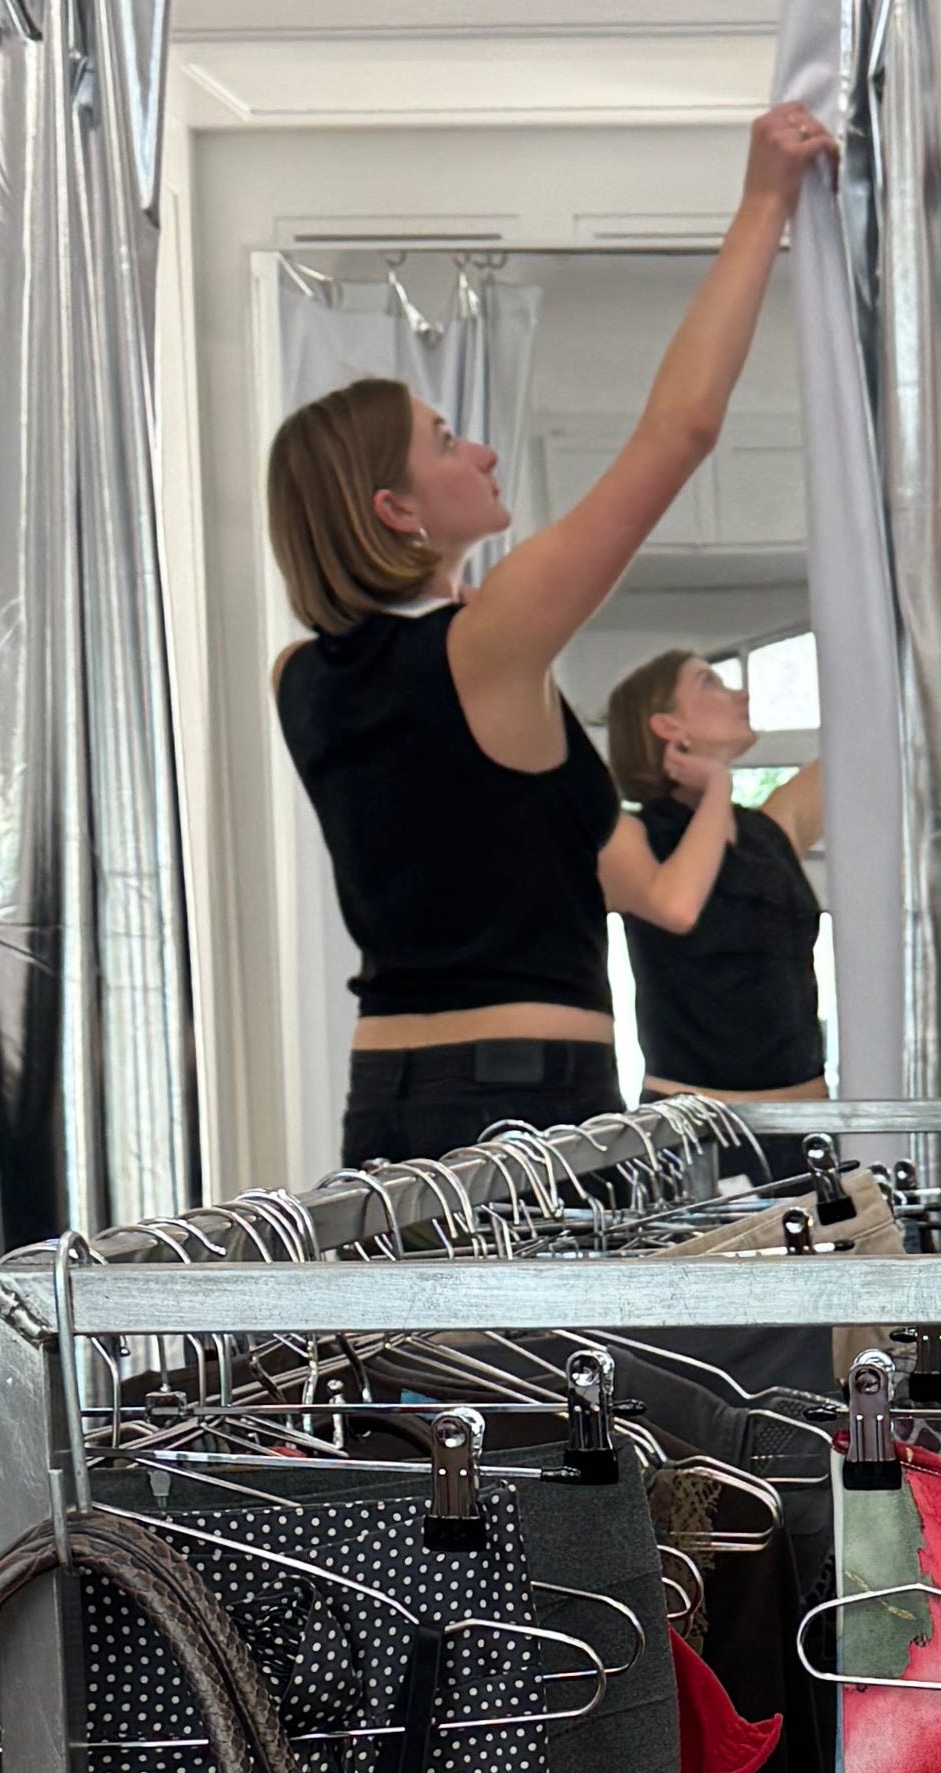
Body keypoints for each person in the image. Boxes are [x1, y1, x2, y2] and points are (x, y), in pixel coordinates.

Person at [268, 106, 833, 1168]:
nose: (481, 452)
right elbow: (680, 431)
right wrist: (765, 201)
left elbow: (607, 878)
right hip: (520, 1097)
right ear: (396, 508)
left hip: (387, 1097)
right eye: (446, 441)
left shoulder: (299, 673)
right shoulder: (483, 647)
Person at [603, 650, 828, 1101]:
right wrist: (717, 785)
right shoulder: (632, 837)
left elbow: (864, 740)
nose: (740, 695)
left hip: (806, 1116)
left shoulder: (772, 831)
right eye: (708, 682)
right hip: (692, 1122)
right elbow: (680, 906)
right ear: (666, 725)